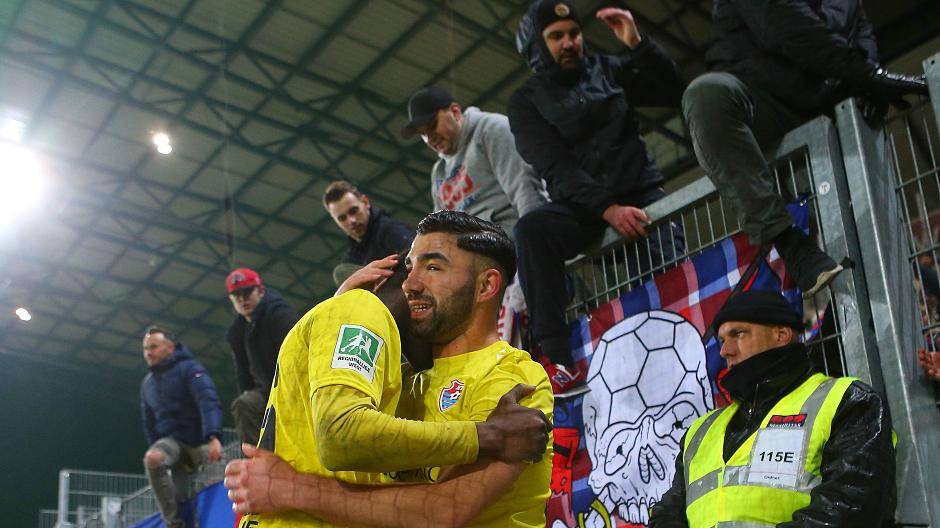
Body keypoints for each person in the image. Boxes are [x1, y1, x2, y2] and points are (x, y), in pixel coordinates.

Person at [225, 211, 555, 527]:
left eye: (433, 268)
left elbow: (444, 512)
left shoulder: (512, 377)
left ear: (485, 286)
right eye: (409, 269)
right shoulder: (400, 382)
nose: (411, 283)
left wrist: (292, 489)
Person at [682, 0, 928, 298]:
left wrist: (869, 82)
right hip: (759, 97)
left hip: (823, 113)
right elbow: (785, 26)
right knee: (706, 97)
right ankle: (788, 242)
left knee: (860, 245)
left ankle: (887, 295)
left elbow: (865, 47)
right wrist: (867, 76)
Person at [509, 0, 685, 392]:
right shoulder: (525, 103)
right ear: (537, 46)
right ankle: (556, 360)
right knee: (532, 231)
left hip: (641, 194)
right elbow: (555, 167)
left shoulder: (608, 69)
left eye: (574, 33)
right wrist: (607, 208)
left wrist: (638, 43)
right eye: (556, 37)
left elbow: (674, 90)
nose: (569, 42)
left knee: (671, 277)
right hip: (584, 209)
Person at [649, 290, 896, 527]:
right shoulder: (699, 432)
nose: (725, 350)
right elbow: (667, 513)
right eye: (723, 340)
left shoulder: (847, 401)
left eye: (738, 334)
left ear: (781, 335)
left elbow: (849, 508)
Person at [400, 85, 548, 237]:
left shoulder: (491, 129)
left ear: (455, 112)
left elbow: (524, 186)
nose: (430, 138)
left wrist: (537, 238)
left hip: (512, 244)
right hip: (474, 254)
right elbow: (441, 230)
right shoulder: (439, 172)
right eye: (423, 134)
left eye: (433, 126)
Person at [140, 326, 224, 528]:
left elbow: (208, 401)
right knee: (153, 458)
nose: (148, 352)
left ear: (169, 347)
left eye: (153, 346)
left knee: (222, 475)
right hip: (173, 445)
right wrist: (156, 446)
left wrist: (213, 437)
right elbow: (148, 423)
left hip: (200, 442)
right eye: (145, 349)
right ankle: (174, 523)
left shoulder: (190, 369)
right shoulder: (147, 384)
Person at [224, 268, 299, 445]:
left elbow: (299, 354)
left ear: (260, 291)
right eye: (237, 295)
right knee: (244, 404)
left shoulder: (280, 315)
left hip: (293, 386)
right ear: (231, 299)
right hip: (266, 392)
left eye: (247, 292)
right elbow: (243, 374)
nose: (242, 299)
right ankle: (257, 463)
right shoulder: (237, 332)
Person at [322, 179, 414, 275]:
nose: (351, 220)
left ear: (366, 202)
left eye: (353, 211)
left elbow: (418, 262)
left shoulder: (390, 230)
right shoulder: (349, 261)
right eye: (342, 218)